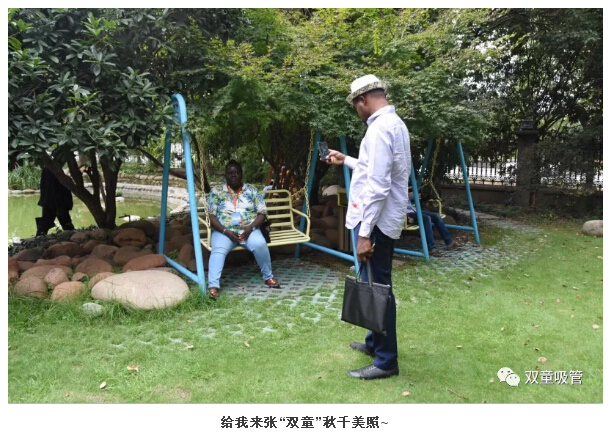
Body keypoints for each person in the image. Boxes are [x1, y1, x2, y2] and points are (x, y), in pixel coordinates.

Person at [326, 74, 410, 380]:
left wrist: (364, 234)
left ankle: (386, 361)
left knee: (379, 288)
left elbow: (377, 187)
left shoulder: (378, 129)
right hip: (383, 219)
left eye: (355, 105)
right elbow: (373, 167)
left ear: (362, 100)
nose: (356, 111)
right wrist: (346, 159)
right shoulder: (394, 124)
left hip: (375, 222)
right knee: (374, 283)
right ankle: (375, 343)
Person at [206, 160, 280, 300]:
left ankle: (268, 277)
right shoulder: (216, 192)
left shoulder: (252, 190)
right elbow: (211, 216)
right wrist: (225, 231)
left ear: (241, 174)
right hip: (225, 232)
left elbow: (262, 214)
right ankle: (213, 286)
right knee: (218, 250)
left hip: (249, 230)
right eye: (230, 173)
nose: (233, 175)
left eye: (236, 172)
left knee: (260, 244)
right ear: (225, 175)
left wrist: (251, 228)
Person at [36, 163, 75, 236]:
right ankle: (72, 235)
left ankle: (40, 236)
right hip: (57, 202)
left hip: (50, 202)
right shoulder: (54, 173)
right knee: (64, 221)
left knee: (45, 223)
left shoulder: (48, 172)